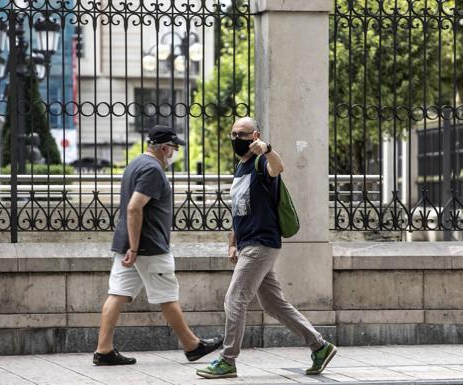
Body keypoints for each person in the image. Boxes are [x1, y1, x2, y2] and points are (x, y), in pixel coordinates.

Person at [196, 117, 337, 379]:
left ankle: (228, 360)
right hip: (248, 242)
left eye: (243, 134)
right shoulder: (241, 166)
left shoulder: (262, 162)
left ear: (255, 135)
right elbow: (238, 210)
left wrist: (268, 149)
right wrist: (232, 242)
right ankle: (319, 346)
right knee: (274, 305)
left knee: (234, 299)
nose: (237, 139)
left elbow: (279, 167)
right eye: (234, 134)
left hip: (261, 243)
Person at [93, 125, 223, 365]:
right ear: (164, 148)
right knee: (167, 296)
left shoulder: (135, 164)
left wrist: (130, 247)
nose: (173, 154)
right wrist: (135, 247)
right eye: (173, 149)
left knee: (117, 294)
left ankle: (103, 350)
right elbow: (134, 207)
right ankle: (192, 345)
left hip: (128, 245)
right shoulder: (153, 169)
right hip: (148, 246)